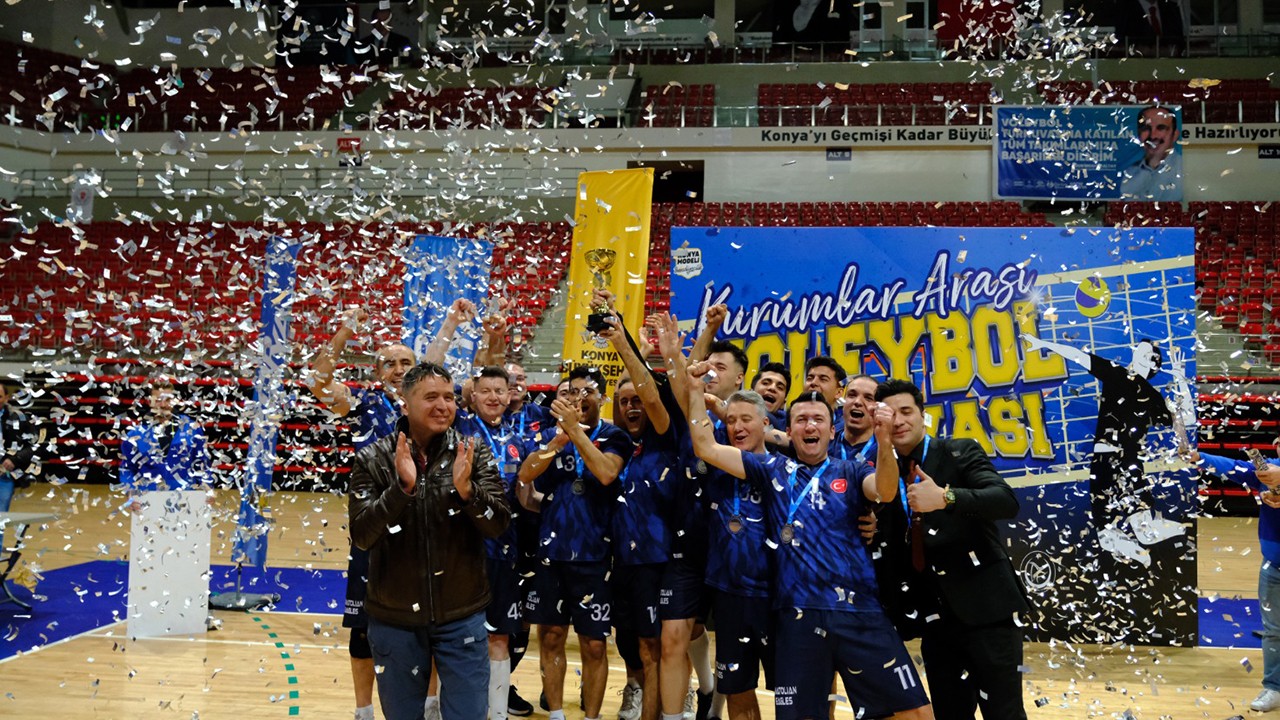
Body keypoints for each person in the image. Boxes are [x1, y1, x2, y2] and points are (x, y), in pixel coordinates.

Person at [682, 365, 930, 720]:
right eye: (801, 420)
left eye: (818, 420)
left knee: (916, 713)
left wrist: (885, 441)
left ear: (832, 430)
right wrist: (694, 391)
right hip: (797, 617)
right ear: (788, 431)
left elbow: (886, 491)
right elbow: (706, 446)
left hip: (858, 612)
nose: (810, 426)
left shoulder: (852, 470)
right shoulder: (770, 469)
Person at [349, 361, 512, 720]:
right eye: (431, 397)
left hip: (462, 615)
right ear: (406, 404)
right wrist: (401, 489)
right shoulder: (373, 459)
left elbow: (498, 525)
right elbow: (361, 535)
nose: (443, 406)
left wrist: (467, 492)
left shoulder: (473, 452)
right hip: (394, 619)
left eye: (449, 397)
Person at [872, 379, 1027, 720]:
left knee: (1004, 713)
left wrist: (946, 497)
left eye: (906, 411)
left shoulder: (959, 451)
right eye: (889, 415)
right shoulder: (883, 471)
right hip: (934, 620)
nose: (899, 421)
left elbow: (1005, 501)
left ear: (922, 415)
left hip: (987, 611)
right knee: (950, 715)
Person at [517, 365, 632, 720]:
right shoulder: (550, 436)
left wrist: (575, 432)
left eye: (587, 392)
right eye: (571, 392)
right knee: (551, 636)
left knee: (594, 644)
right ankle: (556, 714)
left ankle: (592, 717)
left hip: (596, 556)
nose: (578, 398)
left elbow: (606, 472)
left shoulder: (615, 437)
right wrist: (557, 441)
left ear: (602, 398)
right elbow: (525, 474)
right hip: (551, 554)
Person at [598, 298, 680, 720]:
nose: (632, 406)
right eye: (624, 400)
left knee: (651, 648)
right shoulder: (613, 445)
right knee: (628, 643)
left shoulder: (664, 438)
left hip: (655, 561)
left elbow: (651, 393)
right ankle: (640, 696)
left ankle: (660, 709)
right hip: (621, 564)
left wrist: (621, 342)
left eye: (637, 400)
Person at [451, 366, 529, 720]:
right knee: (455, 637)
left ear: (510, 394)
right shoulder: (458, 427)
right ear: (473, 394)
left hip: (503, 548)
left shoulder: (519, 438)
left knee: (499, 637)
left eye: (500, 390)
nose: (494, 397)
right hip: (462, 549)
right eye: (486, 390)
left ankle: (497, 715)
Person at [1190, 450, 1280, 713]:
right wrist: (1199, 457)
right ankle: (1274, 687)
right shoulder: (1268, 471)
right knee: (1274, 631)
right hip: (1274, 567)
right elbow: (1232, 466)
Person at [120, 379, 211, 500]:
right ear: (150, 401)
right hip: (148, 498)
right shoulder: (135, 434)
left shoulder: (192, 428)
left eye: (167, 400)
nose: (163, 405)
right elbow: (127, 468)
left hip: (186, 498)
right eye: (158, 400)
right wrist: (131, 492)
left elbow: (202, 461)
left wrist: (208, 487)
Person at [1119, 105, 1182, 201]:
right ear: (1138, 134)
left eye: (1161, 128)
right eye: (1145, 128)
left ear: (1175, 135)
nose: (1152, 136)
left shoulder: (1184, 170)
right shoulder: (1130, 172)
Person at [0, 381, 36, 513]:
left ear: (6, 398)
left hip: (4, 476)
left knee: (0, 516)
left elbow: (33, 446)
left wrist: (14, 459)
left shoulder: (19, 419)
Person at [831, 374, 879, 463]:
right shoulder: (825, 441)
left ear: (878, 407)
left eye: (868, 398)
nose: (857, 402)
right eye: (852, 395)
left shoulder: (885, 449)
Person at [802, 356, 847, 436]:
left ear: (838, 393)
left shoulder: (847, 431)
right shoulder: (787, 422)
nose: (813, 383)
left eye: (823, 379)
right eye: (810, 378)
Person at [750, 362, 790, 430]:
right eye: (766, 383)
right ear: (751, 392)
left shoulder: (790, 422)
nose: (772, 388)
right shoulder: (735, 411)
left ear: (783, 403)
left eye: (780, 387)